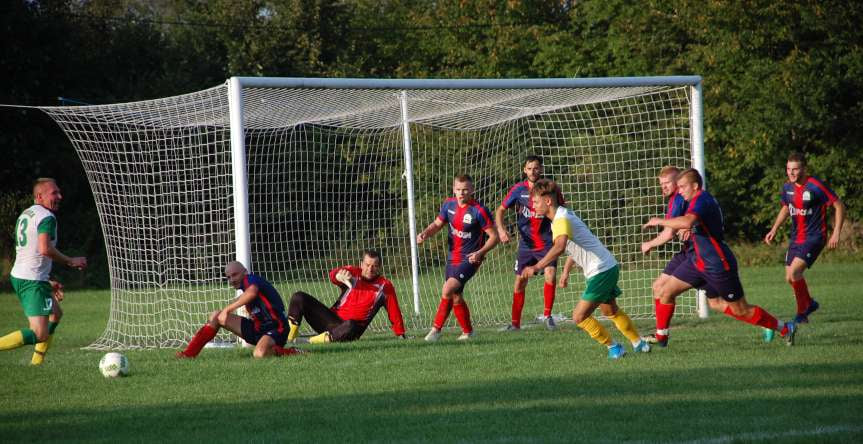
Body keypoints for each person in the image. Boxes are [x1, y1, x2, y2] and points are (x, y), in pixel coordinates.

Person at [643, 168, 797, 347]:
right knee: (664, 291)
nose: (680, 190)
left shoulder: (702, 200)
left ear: (695, 186)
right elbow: (688, 222)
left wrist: (659, 221)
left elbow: (687, 221)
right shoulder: (694, 201)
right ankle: (661, 337)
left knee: (741, 310)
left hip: (717, 264)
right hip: (697, 262)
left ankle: (785, 328)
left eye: (683, 187)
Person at [521, 179, 651, 359]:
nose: (532, 206)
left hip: (601, 270)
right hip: (607, 267)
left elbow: (560, 247)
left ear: (548, 201)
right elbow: (576, 247)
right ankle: (639, 343)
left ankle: (614, 348)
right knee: (610, 311)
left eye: (535, 202)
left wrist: (536, 266)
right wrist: (566, 272)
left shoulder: (560, 219)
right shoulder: (562, 217)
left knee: (579, 316)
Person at [2, 178, 88, 365]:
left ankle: (37, 363)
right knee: (39, 333)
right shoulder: (47, 218)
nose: (59, 196)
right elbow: (44, 249)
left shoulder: (28, 213)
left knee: (55, 314)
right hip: (31, 280)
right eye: (54, 193)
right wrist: (71, 261)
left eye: (59, 192)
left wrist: (47, 281)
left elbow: (31, 251)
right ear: (40, 196)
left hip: (26, 275)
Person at [764, 152, 845, 327]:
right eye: (788, 169)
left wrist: (836, 232)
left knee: (794, 273)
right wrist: (774, 228)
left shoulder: (815, 186)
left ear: (804, 169)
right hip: (796, 239)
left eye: (795, 169)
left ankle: (802, 314)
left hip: (815, 237)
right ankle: (810, 303)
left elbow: (839, 205)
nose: (791, 173)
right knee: (789, 277)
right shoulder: (787, 188)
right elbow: (786, 207)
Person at [418, 174, 499, 341]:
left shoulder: (479, 210)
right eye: (458, 190)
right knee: (455, 295)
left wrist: (479, 253)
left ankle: (435, 330)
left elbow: (494, 237)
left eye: (465, 190)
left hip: (470, 259)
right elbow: (437, 224)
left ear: (472, 190)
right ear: (454, 190)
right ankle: (468, 332)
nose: (462, 193)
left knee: (447, 289)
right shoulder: (448, 205)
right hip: (452, 258)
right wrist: (426, 233)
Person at [176, 261, 302, 358]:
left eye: (235, 275)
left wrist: (227, 310)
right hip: (257, 329)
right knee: (216, 316)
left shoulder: (250, 279)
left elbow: (252, 293)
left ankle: (291, 352)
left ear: (245, 272)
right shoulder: (245, 287)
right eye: (228, 277)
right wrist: (222, 313)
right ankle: (188, 355)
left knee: (259, 354)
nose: (232, 280)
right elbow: (247, 296)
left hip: (276, 329)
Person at [285, 249, 406, 343]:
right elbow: (334, 274)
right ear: (361, 264)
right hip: (330, 322)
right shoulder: (353, 273)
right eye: (367, 265)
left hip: (350, 331)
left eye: (374, 266)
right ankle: (289, 338)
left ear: (379, 267)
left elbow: (394, 310)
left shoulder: (385, 286)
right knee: (298, 297)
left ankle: (309, 342)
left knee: (351, 324)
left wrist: (400, 333)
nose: (370, 269)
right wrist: (337, 276)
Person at [495, 155, 559, 331]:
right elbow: (500, 210)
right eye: (529, 168)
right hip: (525, 244)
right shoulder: (518, 190)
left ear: (541, 169)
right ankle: (515, 324)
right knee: (520, 282)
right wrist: (501, 230)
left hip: (546, 242)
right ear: (524, 170)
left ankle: (547, 316)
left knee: (551, 273)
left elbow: (562, 210)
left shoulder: (551, 188)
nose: (533, 171)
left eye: (536, 168)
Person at [639, 166, 691, 343]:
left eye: (667, 183)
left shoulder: (678, 199)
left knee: (724, 303)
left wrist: (649, 244)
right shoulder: (675, 199)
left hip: (699, 253)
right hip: (687, 251)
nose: (664, 187)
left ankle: (771, 324)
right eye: (661, 184)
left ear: (677, 182)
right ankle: (661, 334)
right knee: (658, 287)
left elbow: (668, 233)